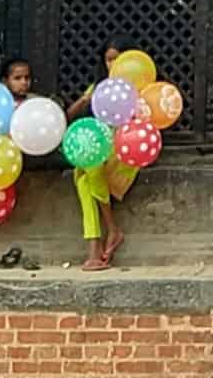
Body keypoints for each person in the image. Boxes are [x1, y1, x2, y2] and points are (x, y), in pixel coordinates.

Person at [66, 36, 139, 271]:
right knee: (84, 178)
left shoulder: (138, 86)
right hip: (101, 149)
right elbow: (68, 114)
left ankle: (105, 236)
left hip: (125, 150)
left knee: (90, 169)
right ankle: (98, 242)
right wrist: (87, 98)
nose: (113, 65)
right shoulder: (101, 87)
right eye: (109, 60)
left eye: (118, 60)